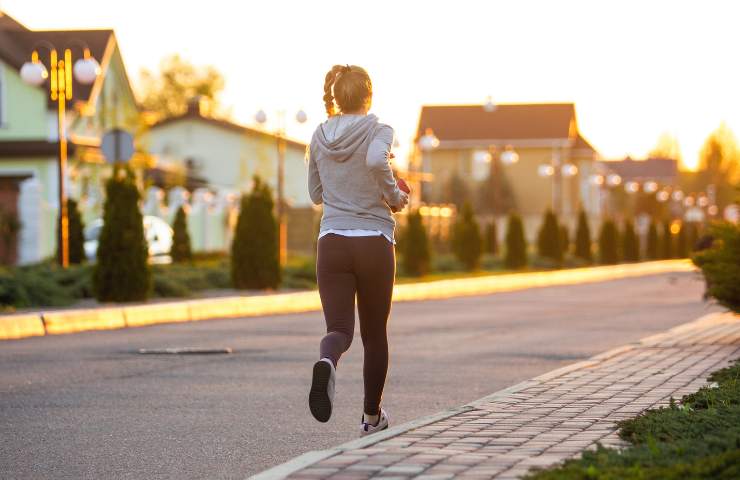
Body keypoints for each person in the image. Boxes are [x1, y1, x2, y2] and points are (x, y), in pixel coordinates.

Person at [306, 64, 409, 436]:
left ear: (335, 97)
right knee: (375, 334)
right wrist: (395, 196)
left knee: (339, 330)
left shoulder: (319, 135)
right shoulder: (380, 129)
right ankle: (371, 418)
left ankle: (327, 361)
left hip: (332, 242)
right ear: (369, 95)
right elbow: (374, 160)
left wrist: (339, 186)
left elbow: (316, 194)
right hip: (373, 242)